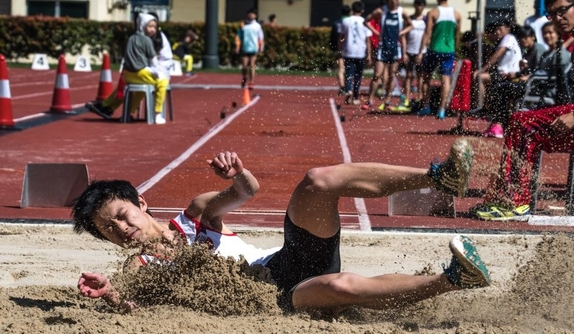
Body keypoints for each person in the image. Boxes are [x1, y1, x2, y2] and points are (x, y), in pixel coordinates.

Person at [74, 140, 492, 313]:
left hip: (283, 260)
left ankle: (438, 177)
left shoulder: (195, 216)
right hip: (273, 297)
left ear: (141, 204)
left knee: (319, 180)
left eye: (120, 216)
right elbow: (133, 309)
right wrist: (110, 294)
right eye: (107, 230)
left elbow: (247, 191)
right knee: (338, 286)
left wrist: (235, 175)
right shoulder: (138, 269)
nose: (119, 229)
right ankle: (454, 278)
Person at [471, 0, 574, 221]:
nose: (558, 18)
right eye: (551, 14)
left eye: (562, 11)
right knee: (523, 123)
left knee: (523, 124)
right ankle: (511, 198)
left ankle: (515, 201)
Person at [87, 13, 170, 125]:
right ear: (143, 25)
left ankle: (114, 109)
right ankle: (157, 114)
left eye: (154, 27)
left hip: (135, 71)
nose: (153, 29)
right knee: (159, 82)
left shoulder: (134, 38)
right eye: (150, 26)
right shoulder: (147, 40)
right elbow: (153, 60)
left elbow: (163, 60)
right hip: (143, 71)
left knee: (138, 88)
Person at [471, 19, 522, 138]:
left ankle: (482, 107)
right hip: (503, 74)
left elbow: (497, 55)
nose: (498, 32)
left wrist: (482, 70)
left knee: (480, 78)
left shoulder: (509, 38)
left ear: (508, 29)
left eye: (500, 29)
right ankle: (488, 109)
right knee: (488, 83)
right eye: (496, 30)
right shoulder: (502, 41)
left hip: (509, 75)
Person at [362, 0, 413, 112]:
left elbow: (411, 25)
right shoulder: (381, 11)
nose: (393, 1)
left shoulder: (402, 12)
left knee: (391, 76)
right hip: (382, 47)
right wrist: (376, 32)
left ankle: (387, 100)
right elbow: (366, 21)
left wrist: (402, 32)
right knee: (377, 74)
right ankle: (370, 100)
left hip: (395, 49)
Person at [415, 0, 461, 120]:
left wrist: (420, 52)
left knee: (426, 78)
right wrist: (454, 50)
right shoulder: (457, 14)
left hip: (434, 49)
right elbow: (457, 36)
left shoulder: (433, 13)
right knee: (445, 80)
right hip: (449, 51)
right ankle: (442, 109)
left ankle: (426, 105)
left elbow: (427, 33)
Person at [339, 1, 372, 106]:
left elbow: (341, 37)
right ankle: (356, 97)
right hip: (360, 52)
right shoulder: (365, 21)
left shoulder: (345, 21)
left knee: (349, 73)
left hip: (349, 51)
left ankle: (348, 90)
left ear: (352, 9)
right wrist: (369, 54)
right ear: (362, 10)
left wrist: (339, 50)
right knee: (358, 75)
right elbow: (368, 40)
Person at [404, 0, 428, 107]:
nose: (419, 7)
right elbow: (403, 35)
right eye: (417, 4)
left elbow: (428, 35)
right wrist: (404, 52)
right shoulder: (409, 19)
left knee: (420, 76)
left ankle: (420, 96)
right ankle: (407, 97)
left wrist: (422, 51)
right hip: (410, 51)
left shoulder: (426, 20)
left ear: (423, 7)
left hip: (421, 52)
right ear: (414, 5)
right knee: (409, 75)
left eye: (421, 5)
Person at [235, 8, 265, 90]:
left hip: (254, 48)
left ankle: (251, 83)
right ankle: (244, 77)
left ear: (255, 15)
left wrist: (261, 47)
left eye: (252, 14)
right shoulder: (243, 25)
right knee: (244, 66)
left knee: (252, 65)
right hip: (245, 48)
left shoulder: (257, 26)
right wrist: (237, 46)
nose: (250, 15)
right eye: (249, 14)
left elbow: (260, 38)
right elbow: (239, 37)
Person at [331, 5, 352, 96]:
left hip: (340, 48)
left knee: (341, 68)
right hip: (350, 49)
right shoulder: (351, 22)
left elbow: (333, 37)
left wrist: (334, 48)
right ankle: (348, 87)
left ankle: (342, 87)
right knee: (350, 69)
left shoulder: (336, 23)